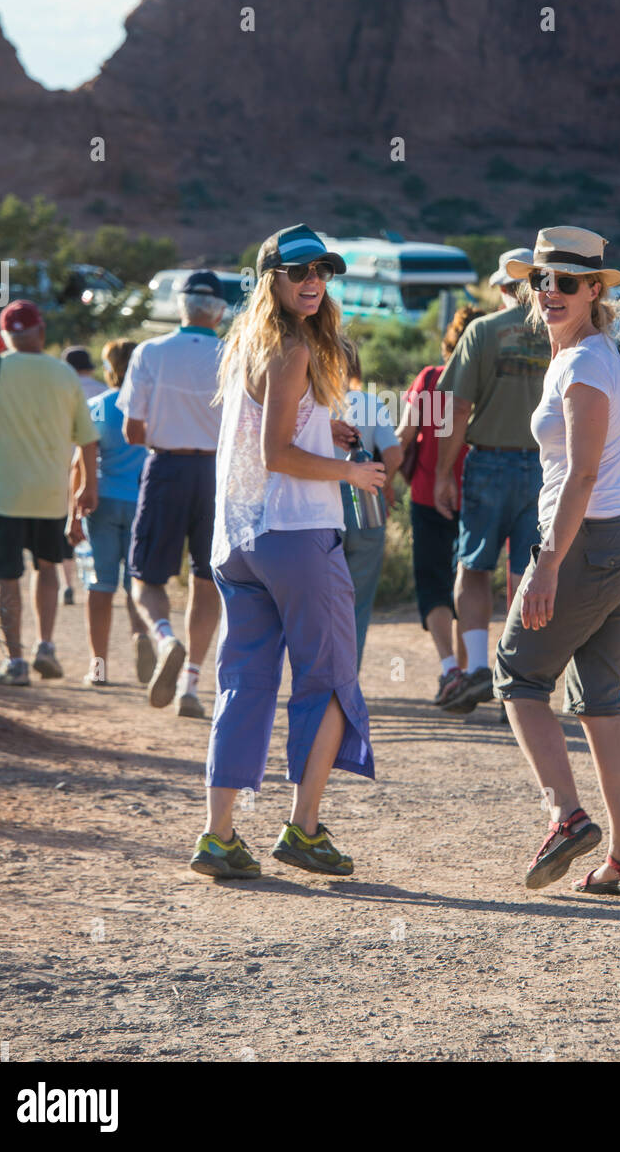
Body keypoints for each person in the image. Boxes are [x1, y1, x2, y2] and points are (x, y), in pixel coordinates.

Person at [190, 224, 384, 880]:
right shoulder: (294, 345)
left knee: (243, 685)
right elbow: (276, 456)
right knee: (327, 681)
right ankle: (302, 830)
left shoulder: (250, 340)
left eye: (322, 272)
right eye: (298, 271)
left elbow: (264, 428)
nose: (311, 282)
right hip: (295, 536)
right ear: (270, 276)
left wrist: (323, 430)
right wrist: (351, 472)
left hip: (238, 541)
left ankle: (217, 838)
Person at [492, 227, 620, 895]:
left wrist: (545, 562)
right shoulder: (588, 357)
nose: (551, 292)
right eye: (542, 280)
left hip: (591, 541)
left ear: (595, 290)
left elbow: (582, 475)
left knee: (516, 675)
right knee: (597, 702)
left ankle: (565, 818)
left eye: (568, 282)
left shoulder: (582, 366)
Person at [432, 255, 550, 714]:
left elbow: (456, 409)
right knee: (526, 578)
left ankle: (478, 668)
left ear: (503, 287)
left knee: (474, 568)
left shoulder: (482, 332)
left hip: (490, 464)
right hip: (544, 469)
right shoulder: (560, 335)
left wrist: (443, 473)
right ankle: (518, 679)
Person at [0, 300, 98, 685]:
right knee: (47, 568)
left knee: (5, 578)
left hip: (1, 493)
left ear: (6, 337)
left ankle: (17, 661)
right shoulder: (63, 373)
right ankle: (46, 646)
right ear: (41, 332)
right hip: (49, 494)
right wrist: (88, 486)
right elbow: (87, 439)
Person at [117, 270, 225, 717]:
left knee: (145, 577)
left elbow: (132, 430)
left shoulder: (149, 352)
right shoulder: (233, 354)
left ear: (180, 306)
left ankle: (165, 639)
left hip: (166, 466)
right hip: (219, 474)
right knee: (207, 580)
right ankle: (191, 686)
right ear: (219, 310)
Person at [395, 304, 484, 703]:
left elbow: (403, 436)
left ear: (449, 342)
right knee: (471, 581)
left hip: (428, 496)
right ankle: (468, 670)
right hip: (477, 499)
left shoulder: (430, 379)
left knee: (434, 585)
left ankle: (449, 669)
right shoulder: (488, 386)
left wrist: (384, 478)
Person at [66, 340, 154, 688]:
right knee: (138, 584)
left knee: (99, 587)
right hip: (142, 504)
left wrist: (72, 516)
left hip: (100, 502)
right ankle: (141, 637)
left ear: (110, 367)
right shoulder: (151, 407)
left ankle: (98, 667)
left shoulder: (97, 406)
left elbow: (78, 463)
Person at [334, 339, 402, 670]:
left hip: (321, 504)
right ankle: (347, 678)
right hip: (365, 504)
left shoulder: (312, 403)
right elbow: (394, 452)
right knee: (356, 603)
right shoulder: (370, 403)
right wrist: (383, 482)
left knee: (318, 600)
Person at [59, 346, 105, 605]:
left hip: (65, 464)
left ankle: (68, 583)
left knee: (66, 524)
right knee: (91, 525)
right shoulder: (102, 391)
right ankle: (95, 576)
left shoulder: (61, 391)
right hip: (94, 467)